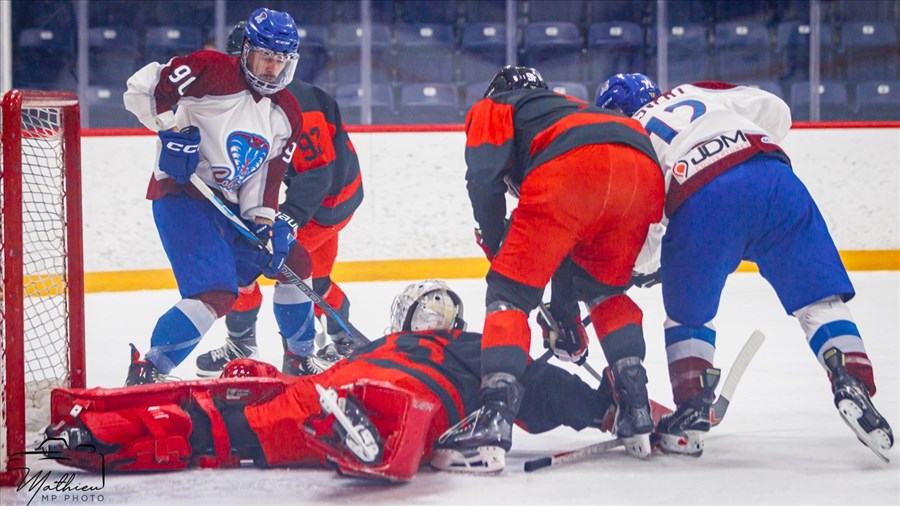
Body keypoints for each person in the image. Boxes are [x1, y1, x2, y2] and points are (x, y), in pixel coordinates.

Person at [43, 280, 633, 481]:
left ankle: (90, 432)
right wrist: (620, 407)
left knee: (213, 426)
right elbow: (544, 388)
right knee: (388, 415)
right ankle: (359, 433)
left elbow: (322, 376)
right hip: (398, 405)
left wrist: (275, 382)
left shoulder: (374, 344)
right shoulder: (478, 349)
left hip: (315, 394)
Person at [596, 73, 894, 460]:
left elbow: (645, 223)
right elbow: (777, 111)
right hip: (773, 178)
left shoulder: (627, 137)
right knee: (818, 298)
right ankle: (850, 379)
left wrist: (644, 269)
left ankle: (692, 407)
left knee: (688, 316)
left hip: (701, 198)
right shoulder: (696, 90)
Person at [432, 66, 666, 473]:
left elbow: (483, 180)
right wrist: (565, 315)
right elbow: (571, 250)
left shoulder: (496, 105)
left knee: (508, 295)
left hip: (571, 169)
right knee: (606, 291)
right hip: (641, 170)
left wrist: (494, 242)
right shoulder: (566, 109)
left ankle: (493, 420)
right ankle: (636, 407)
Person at [121, 8, 317, 385]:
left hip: (230, 207)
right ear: (246, 50)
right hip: (182, 193)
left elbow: (264, 179)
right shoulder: (211, 70)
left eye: (280, 60)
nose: (270, 69)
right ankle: (149, 369)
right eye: (264, 57)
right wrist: (167, 131)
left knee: (295, 261)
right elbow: (142, 88)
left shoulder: (287, 114)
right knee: (216, 292)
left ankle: (300, 361)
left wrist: (264, 224)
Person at [195, 19, 365, 378]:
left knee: (254, 262)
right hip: (333, 197)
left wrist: (285, 218)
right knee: (315, 279)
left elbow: (319, 174)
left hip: (327, 203)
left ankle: (252, 345)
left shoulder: (296, 104)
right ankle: (344, 341)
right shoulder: (261, 98)